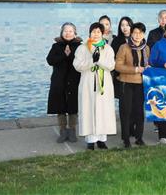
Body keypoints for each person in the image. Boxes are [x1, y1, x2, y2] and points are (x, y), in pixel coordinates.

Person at [73, 22, 116, 150]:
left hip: (104, 83)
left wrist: (99, 60)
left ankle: (102, 139)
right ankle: (90, 140)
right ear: (90, 33)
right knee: (88, 109)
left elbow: (111, 65)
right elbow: (77, 65)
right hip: (88, 82)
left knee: (103, 110)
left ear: (102, 34)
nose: (96, 34)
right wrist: (92, 61)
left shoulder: (107, 48)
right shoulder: (82, 48)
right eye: (93, 31)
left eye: (98, 32)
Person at [115, 22, 150, 148]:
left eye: (140, 33)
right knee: (126, 112)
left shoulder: (146, 48)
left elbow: (147, 64)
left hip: (140, 84)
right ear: (131, 33)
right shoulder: (124, 47)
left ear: (143, 34)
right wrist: (135, 69)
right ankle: (126, 138)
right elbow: (117, 66)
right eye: (135, 32)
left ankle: (139, 137)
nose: (137, 35)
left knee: (139, 112)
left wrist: (148, 67)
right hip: (126, 83)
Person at [46, 22, 82, 143]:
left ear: (75, 33)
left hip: (74, 80)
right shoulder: (56, 46)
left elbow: (81, 62)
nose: (68, 33)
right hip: (59, 81)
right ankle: (62, 131)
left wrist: (70, 55)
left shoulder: (80, 46)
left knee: (73, 107)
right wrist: (63, 55)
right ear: (62, 33)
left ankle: (72, 131)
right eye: (65, 31)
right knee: (60, 106)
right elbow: (50, 60)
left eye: (70, 31)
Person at [111, 16, 134, 100]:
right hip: (121, 73)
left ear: (131, 26)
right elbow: (113, 57)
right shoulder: (116, 40)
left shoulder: (137, 39)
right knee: (123, 99)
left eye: (127, 25)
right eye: (122, 25)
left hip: (134, 73)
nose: (125, 28)